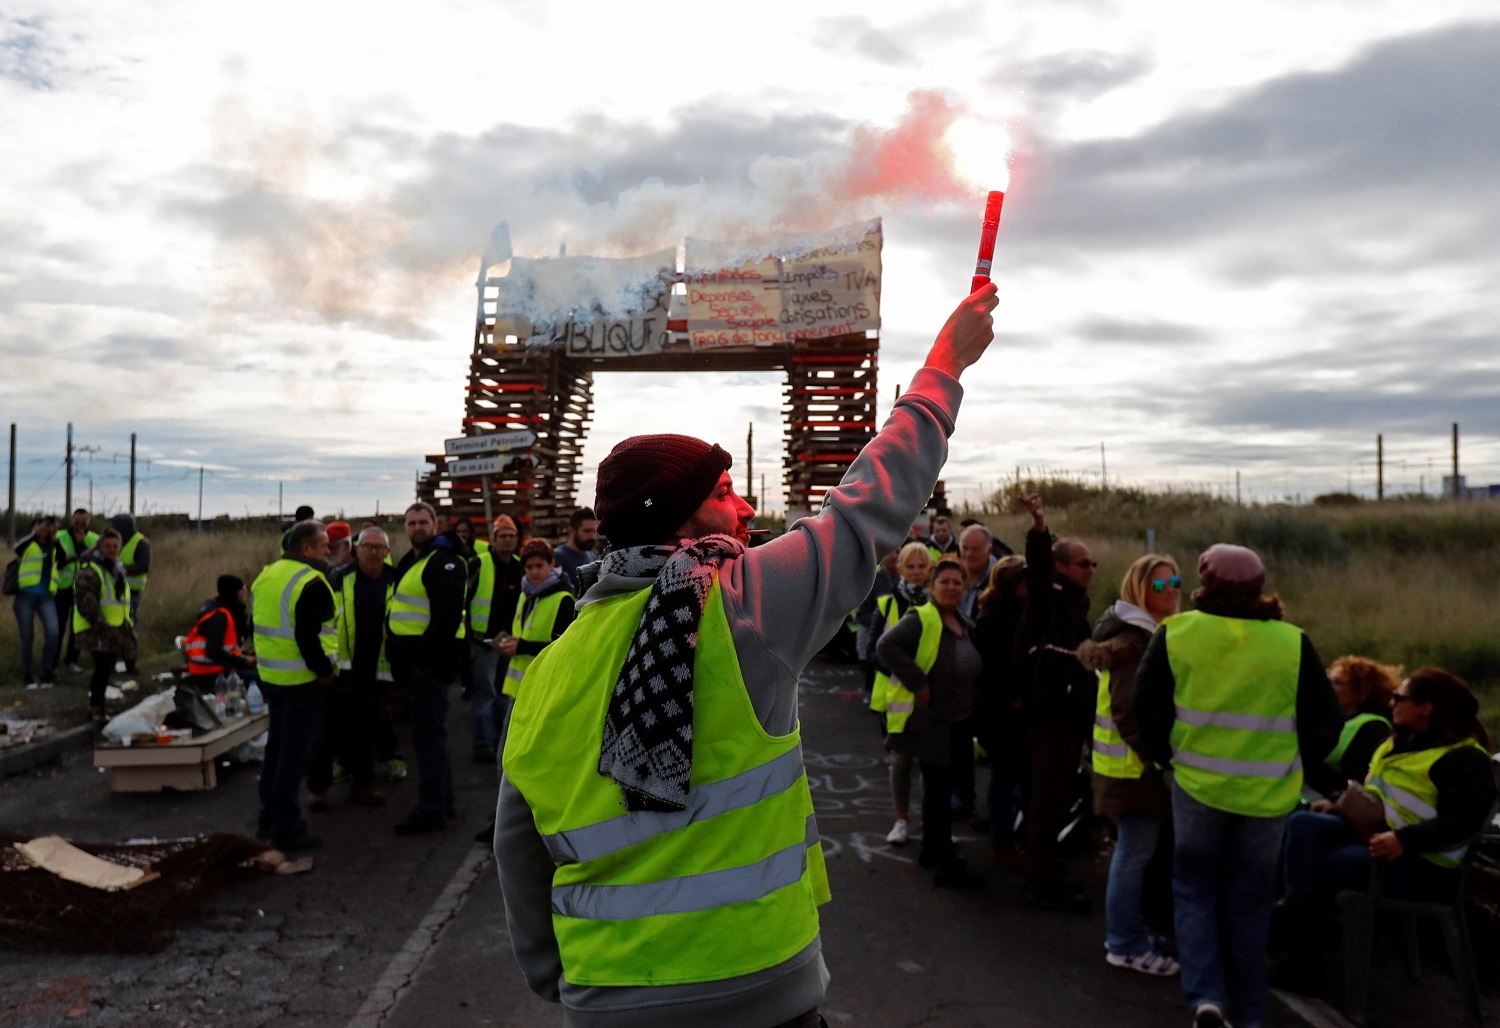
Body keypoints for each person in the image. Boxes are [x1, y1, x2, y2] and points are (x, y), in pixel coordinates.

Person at [496, 283, 998, 1027]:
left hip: (606, 996)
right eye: (728, 492)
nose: (747, 510)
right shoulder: (735, 605)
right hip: (760, 989)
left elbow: (519, 851)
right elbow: (866, 510)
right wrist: (943, 367)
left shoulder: (549, 669)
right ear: (687, 514)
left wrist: (562, 978)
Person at [1133, 543, 1340, 1028]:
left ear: (1205, 585)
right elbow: (1325, 722)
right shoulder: (1292, 642)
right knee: (1250, 902)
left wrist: (1168, 759)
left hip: (1198, 787)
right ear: (1259, 588)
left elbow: (1148, 707)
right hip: (1268, 798)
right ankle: (1248, 1014)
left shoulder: (1176, 633)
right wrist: (1293, 764)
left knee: (1194, 891)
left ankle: (1206, 997)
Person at [1282, 667, 1497, 907]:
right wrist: (1338, 803)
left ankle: (1300, 925)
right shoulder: (1398, 744)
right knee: (1301, 824)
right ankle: (1296, 911)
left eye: (1399, 697)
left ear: (1425, 708)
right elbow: (1377, 794)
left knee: (1317, 860)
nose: (1391, 702)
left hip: (1424, 862)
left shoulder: (1465, 759)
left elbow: (1462, 822)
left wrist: (1403, 839)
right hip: (1381, 833)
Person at [1078, 554, 1182, 978]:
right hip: (1132, 769)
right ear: (1140, 591)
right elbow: (1128, 710)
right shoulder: (1135, 642)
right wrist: (1158, 759)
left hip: (1123, 767)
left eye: (1175, 580)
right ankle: (1124, 943)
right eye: (1160, 585)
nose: (1172, 589)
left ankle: (1128, 932)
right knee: (1132, 856)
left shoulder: (1142, 633)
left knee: (1131, 854)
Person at [878, 559, 984, 888]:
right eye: (945, 582)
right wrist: (918, 682)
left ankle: (929, 850)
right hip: (934, 721)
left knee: (941, 789)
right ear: (933, 587)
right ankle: (944, 862)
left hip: (960, 720)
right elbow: (886, 645)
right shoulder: (923, 617)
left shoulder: (964, 622)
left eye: (957, 582)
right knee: (938, 792)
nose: (952, 587)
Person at [1016, 492, 1096, 913]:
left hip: (1071, 716)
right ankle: (1043, 884)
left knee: (1057, 796)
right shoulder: (1046, 600)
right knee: (1047, 800)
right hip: (1051, 716)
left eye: (1093, 563)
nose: (1091, 570)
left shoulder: (1077, 605)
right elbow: (1038, 566)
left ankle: (1050, 873)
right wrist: (1039, 526)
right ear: (1061, 567)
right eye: (1083, 563)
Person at [251, 519, 338, 852]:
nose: (328, 551)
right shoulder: (311, 581)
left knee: (276, 750)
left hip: (272, 677)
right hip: (302, 680)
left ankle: (267, 819)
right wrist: (324, 672)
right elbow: (307, 636)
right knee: (293, 755)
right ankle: (286, 826)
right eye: (324, 545)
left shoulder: (267, 574)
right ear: (307, 548)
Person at [386, 501, 468, 836]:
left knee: (428, 739)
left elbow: (446, 619)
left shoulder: (443, 561)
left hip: (428, 670)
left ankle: (432, 808)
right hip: (416, 669)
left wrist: (421, 662)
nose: (417, 527)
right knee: (430, 736)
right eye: (411, 522)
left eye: (423, 521)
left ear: (436, 524)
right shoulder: (416, 560)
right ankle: (442, 803)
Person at [308, 526, 395, 810]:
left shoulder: (395, 581)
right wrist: (327, 665)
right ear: (355, 550)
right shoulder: (337, 580)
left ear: (387, 552)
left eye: (378, 547)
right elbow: (322, 626)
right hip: (342, 672)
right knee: (329, 733)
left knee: (367, 732)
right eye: (366, 546)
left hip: (376, 671)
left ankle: (363, 786)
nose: (372, 552)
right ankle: (318, 791)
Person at [868, 541, 933, 845]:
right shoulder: (887, 603)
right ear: (900, 569)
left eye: (923, 566)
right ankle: (902, 821)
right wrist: (906, 674)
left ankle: (933, 824)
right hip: (896, 696)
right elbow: (873, 651)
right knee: (901, 762)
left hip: (931, 696)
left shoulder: (938, 602)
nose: (917, 572)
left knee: (932, 765)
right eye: (912, 566)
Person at [972, 555, 1027, 866]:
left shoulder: (1004, 612)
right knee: (1005, 775)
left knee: (1007, 775)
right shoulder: (996, 617)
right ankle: (1002, 840)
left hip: (1002, 708)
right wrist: (1011, 696)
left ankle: (998, 825)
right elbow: (992, 665)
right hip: (1001, 711)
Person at [468, 514, 524, 764]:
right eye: (503, 536)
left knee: (504, 693)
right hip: (483, 643)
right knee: (485, 692)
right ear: (494, 539)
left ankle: (501, 742)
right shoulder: (479, 563)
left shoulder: (519, 566)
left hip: (509, 643)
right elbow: (465, 601)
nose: (508, 540)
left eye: (512, 536)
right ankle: (483, 744)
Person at [1301, 655, 1397, 797]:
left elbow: (1353, 782)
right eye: (1328, 680)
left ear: (1363, 690)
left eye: (1337, 682)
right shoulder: (1327, 717)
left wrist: (1307, 762)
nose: (1327, 687)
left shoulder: (1373, 727)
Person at [70, 528, 135, 722]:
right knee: (103, 666)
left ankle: (98, 708)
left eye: (115, 546)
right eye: (107, 546)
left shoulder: (116, 568)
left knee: (106, 668)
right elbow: (85, 600)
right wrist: (100, 624)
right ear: (99, 547)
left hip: (112, 627)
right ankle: (96, 708)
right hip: (94, 628)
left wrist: (126, 625)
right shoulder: (91, 569)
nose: (112, 549)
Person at [498, 539, 576, 698]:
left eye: (539, 566)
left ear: (552, 564)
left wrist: (522, 647)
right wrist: (512, 644)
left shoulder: (564, 600)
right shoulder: (524, 596)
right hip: (521, 689)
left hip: (546, 688)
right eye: (529, 567)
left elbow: (566, 650)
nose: (534, 572)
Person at [181, 574, 256, 688]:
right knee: (260, 680)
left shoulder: (221, 609)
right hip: (210, 672)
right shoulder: (219, 616)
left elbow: (226, 648)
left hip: (216, 666)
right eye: (243, 589)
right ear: (234, 593)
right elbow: (214, 651)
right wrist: (244, 660)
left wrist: (244, 654)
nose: (244, 593)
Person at [12, 516, 61, 688]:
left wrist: (54, 537)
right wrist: (35, 534)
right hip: (25, 595)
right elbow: (16, 548)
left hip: (46, 595)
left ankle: (47, 671)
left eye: (48, 525)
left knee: (53, 632)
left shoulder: (53, 543)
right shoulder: (28, 543)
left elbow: (62, 558)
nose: (45, 528)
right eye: (41, 524)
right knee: (27, 636)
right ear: (34, 527)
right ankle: (27, 674)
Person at [54, 508, 98, 673]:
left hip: (84, 589)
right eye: (77, 522)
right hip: (62, 588)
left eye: (83, 522)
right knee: (58, 627)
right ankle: (53, 662)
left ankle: (72, 660)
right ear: (72, 520)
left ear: (89, 522)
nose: (80, 525)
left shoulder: (94, 538)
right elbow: (54, 560)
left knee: (77, 627)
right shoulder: (60, 536)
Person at [854, 548, 900, 704]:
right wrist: (880, 620)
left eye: (899, 552)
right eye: (892, 552)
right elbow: (862, 614)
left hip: (900, 638)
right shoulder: (873, 579)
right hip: (878, 635)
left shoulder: (907, 579)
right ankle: (870, 691)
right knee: (874, 666)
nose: (896, 556)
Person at [110, 513, 150, 674]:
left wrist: (119, 569)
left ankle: (130, 663)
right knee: (112, 627)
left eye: (116, 526)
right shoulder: (115, 542)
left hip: (132, 593)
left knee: (129, 627)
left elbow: (143, 566)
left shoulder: (141, 543)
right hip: (112, 592)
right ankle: (110, 663)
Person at [552, 507, 598, 592]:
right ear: (571, 531)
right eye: (587, 531)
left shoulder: (593, 558)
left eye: (594, 531)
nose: (592, 536)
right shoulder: (558, 557)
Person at [956, 523, 996, 621]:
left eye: (976, 549)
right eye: (965, 548)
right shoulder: (951, 579)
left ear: (989, 551)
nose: (969, 554)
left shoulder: (999, 582)